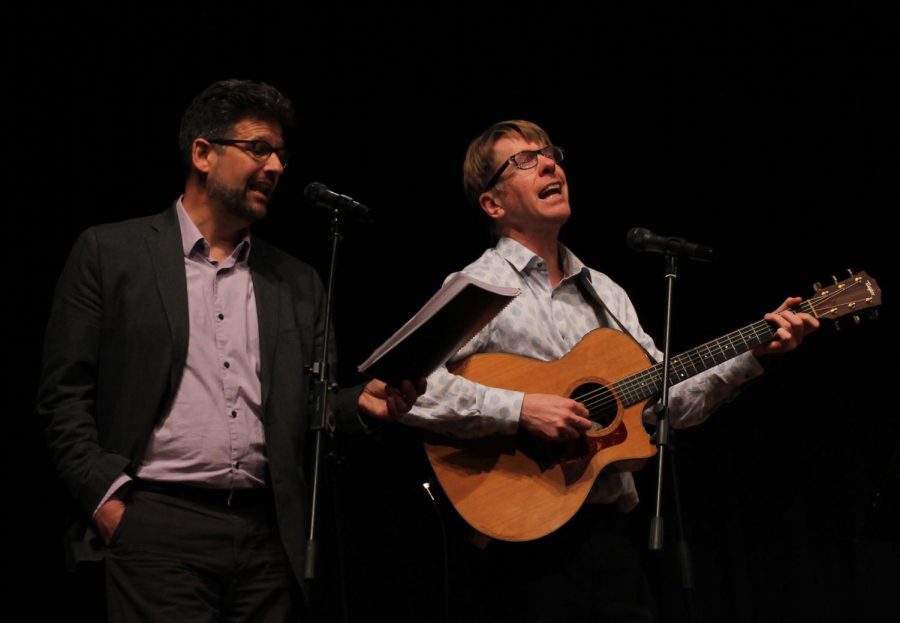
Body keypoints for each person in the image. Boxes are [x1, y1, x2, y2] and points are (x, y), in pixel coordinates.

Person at [36, 79, 424, 622]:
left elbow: (314, 408)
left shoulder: (297, 281)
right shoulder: (111, 253)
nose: (276, 167)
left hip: (267, 535)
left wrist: (362, 406)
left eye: (281, 155)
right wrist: (108, 501)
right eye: (258, 148)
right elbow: (63, 394)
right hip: (158, 524)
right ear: (203, 153)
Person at [403, 120, 819, 622]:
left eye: (551, 152)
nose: (551, 163)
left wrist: (753, 354)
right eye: (525, 160)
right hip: (523, 538)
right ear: (493, 204)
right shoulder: (477, 285)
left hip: (610, 540)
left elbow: (670, 400)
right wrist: (521, 409)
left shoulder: (605, 291)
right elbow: (409, 387)